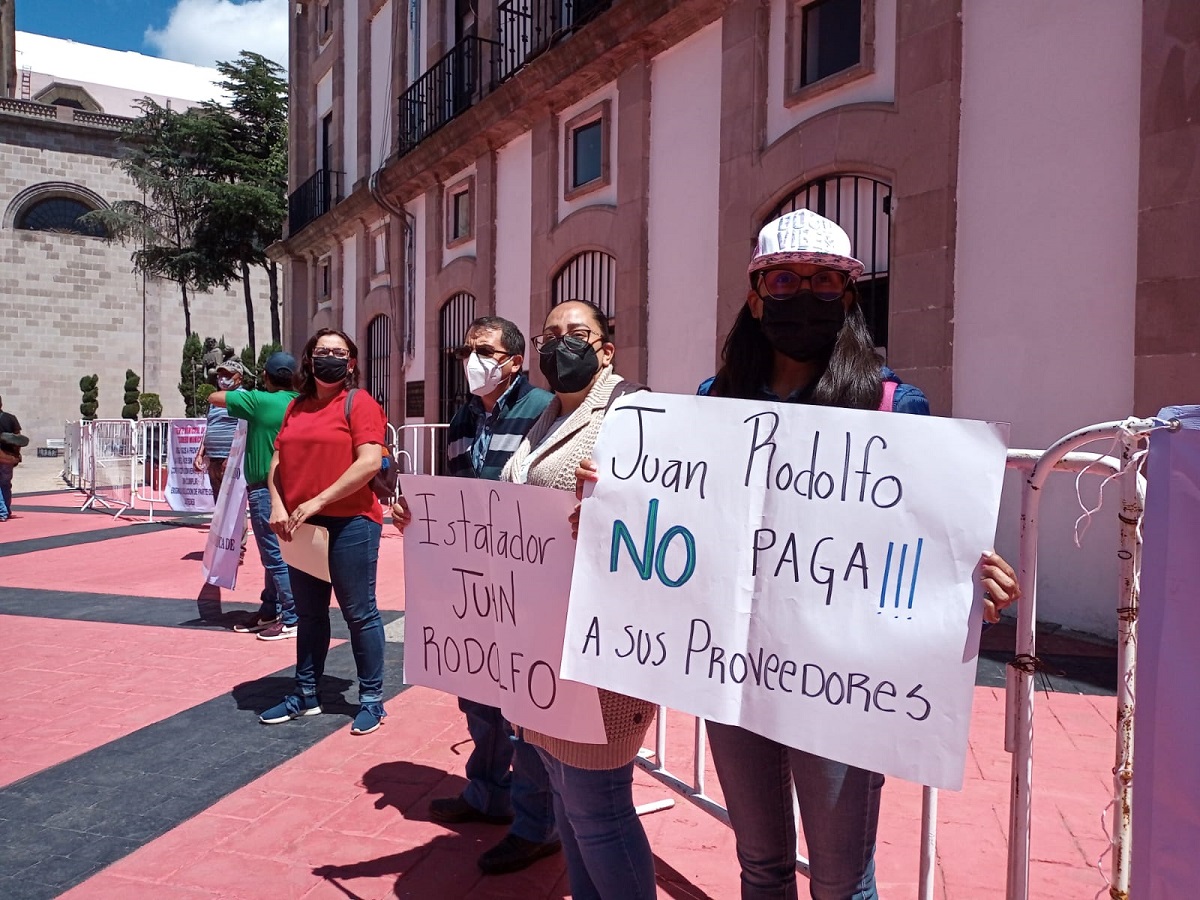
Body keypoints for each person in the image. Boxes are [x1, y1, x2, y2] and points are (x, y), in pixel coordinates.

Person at [574, 209, 1019, 900]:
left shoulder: (893, 407)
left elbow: (921, 532)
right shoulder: (711, 402)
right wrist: (614, 502)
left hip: (841, 678)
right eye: (784, 279)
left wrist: (967, 575)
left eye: (823, 281)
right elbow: (683, 517)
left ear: (847, 296)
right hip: (732, 669)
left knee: (842, 878)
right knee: (761, 864)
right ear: (755, 296)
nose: (802, 293)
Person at [393, 316, 560, 875]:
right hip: (474, 582)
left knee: (526, 705)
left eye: (484, 350)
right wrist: (418, 513)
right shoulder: (465, 415)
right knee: (478, 694)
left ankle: (539, 825)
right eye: (468, 349)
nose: (473, 359)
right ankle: (487, 795)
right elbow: (455, 491)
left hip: (528, 582)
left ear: (515, 359)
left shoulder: (542, 407)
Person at [503, 300, 658, 900]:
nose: (560, 344)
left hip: (601, 644)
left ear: (606, 349)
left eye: (578, 334)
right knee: (568, 803)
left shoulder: (630, 412)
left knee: (598, 807)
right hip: (546, 638)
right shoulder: (547, 418)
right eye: (551, 334)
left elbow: (659, 511)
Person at [260, 328, 390, 736]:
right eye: (321, 351)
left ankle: (371, 698)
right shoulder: (296, 406)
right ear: (309, 359)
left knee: (359, 612)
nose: (329, 357)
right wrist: (277, 503)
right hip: (302, 525)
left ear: (351, 362)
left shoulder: (359, 402)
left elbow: (369, 462)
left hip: (351, 522)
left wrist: (318, 500)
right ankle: (305, 693)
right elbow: (278, 460)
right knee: (310, 614)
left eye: (338, 352)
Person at [208, 352, 301, 641]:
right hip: (295, 488)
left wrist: (240, 387)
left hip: (264, 487)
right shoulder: (300, 403)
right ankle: (269, 608)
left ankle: (292, 615)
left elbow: (215, 397)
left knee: (273, 555)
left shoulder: (259, 401)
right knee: (281, 552)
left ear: (266, 377)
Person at [194, 359, 245, 501]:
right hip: (214, 459)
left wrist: (232, 457)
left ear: (239, 378)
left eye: (228, 375)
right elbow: (209, 427)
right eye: (221, 375)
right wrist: (200, 454)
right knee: (219, 502)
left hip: (231, 459)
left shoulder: (243, 398)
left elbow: (243, 429)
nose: (223, 379)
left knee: (232, 503)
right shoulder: (216, 401)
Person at [0, 394, 23, 522]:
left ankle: (2, 512)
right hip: (8, 457)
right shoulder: (11, 418)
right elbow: (18, 439)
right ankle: (6, 510)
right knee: (5, 484)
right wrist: (16, 454)